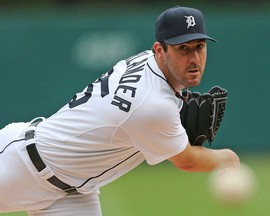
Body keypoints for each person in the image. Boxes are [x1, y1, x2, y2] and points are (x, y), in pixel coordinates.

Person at [0, 6, 240, 216]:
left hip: (73, 193)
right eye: (183, 49)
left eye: (200, 46)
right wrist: (229, 158)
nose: (194, 58)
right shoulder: (153, 106)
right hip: (20, 166)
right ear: (160, 50)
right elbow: (186, 161)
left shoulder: (147, 64)